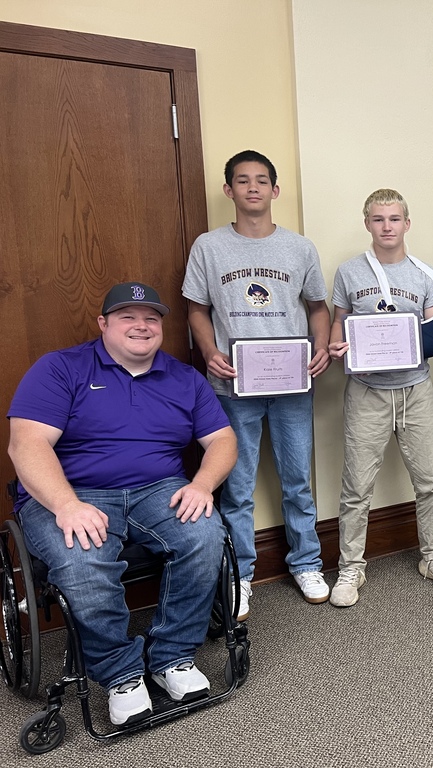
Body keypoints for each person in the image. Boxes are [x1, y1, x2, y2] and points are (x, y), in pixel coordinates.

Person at [6, 282, 237, 725]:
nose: (141, 326)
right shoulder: (60, 369)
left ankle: (172, 658)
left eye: (151, 318)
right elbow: (26, 445)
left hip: (158, 488)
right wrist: (66, 505)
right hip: (73, 492)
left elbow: (223, 440)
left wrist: (203, 484)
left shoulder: (184, 378)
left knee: (205, 533)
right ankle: (122, 675)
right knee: (82, 556)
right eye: (128, 316)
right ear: (104, 324)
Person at [181, 149, 332, 620]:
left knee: (298, 481)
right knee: (238, 485)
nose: (252, 188)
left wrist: (322, 347)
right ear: (228, 190)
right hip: (234, 387)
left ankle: (306, 562)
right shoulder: (208, 247)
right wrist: (210, 353)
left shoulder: (300, 247)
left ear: (275, 190)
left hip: (292, 384)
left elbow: (318, 308)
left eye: (261, 180)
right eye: (242, 181)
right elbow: (196, 309)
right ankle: (240, 573)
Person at [326, 189, 433, 606]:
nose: (387, 226)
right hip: (367, 392)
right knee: (356, 486)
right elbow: (338, 326)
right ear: (367, 223)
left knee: (429, 481)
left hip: (415, 390)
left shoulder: (423, 274)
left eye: (395, 219)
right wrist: (337, 348)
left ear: (407, 223)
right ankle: (352, 567)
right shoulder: (350, 273)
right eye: (379, 219)